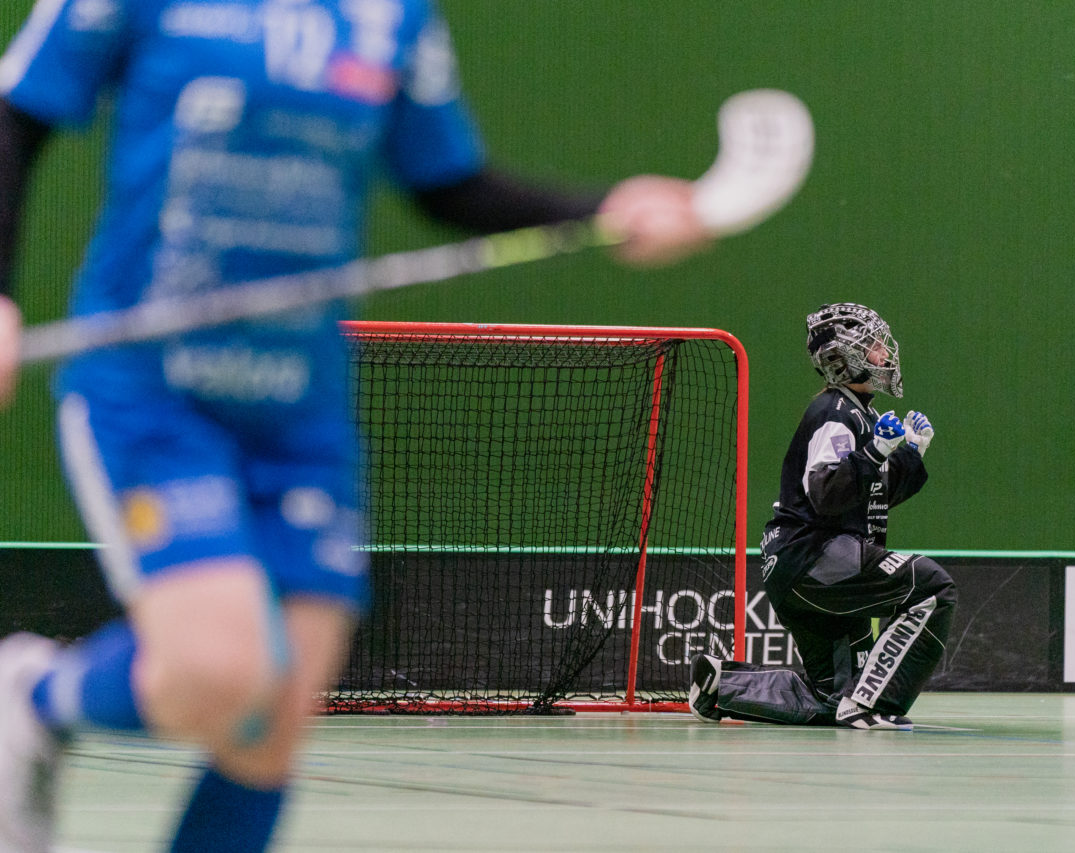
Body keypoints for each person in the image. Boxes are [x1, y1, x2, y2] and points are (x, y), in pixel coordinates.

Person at [0, 1, 714, 850]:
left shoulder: (394, 17)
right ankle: (35, 697)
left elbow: (449, 184)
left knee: (272, 722)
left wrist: (604, 210)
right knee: (217, 673)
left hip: (299, 417)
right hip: (156, 392)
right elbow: (17, 115)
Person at [688, 302, 956, 730]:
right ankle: (873, 704)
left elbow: (871, 496)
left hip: (799, 567)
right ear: (846, 357)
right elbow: (826, 494)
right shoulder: (836, 414)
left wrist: (911, 455)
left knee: (832, 697)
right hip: (813, 559)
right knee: (933, 589)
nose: (885, 354)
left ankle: (722, 686)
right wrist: (875, 452)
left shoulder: (860, 414)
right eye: (874, 346)